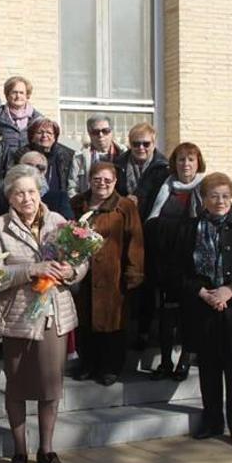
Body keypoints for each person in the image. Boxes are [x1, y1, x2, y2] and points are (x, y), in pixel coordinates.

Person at [0, 164, 88, 463]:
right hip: (16, 317)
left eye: (31, 191)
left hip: (53, 315)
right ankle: (19, 451)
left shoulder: (57, 221)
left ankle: (47, 450)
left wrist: (72, 272)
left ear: (39, 191)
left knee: (50, 388)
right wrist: (31, 270)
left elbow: (81, 259)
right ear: (10, 198)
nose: (26, 198)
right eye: (19, 193)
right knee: (16, 388)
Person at [156, 173, 232, 448]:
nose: (220, 201)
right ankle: (212, 420)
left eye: (225, 196)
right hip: (203, 310)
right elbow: (177, 270)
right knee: (209, 371)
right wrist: (202, 292)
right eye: (214, 196)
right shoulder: (189, 229)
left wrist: (230, 290)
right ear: (203, 199)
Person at [69, 162, 144, 386]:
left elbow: (135, 239)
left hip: (113, 273)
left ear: (115, 182)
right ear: (90, 180)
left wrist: (134, 272)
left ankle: (110, 367)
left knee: (111, 321)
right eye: (97, 179)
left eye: (107, 180)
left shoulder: (125, 206)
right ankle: (87, 364)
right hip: (83, 272)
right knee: (85, 319)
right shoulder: (77, 204)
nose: (102, 184)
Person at [146, 142, 207, 381]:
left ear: (198, 162)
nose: (186, 164)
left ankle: (184, 360)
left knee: (189, 312)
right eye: (181, 159)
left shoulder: (204, 186)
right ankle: (165, 361)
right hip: (167, 260)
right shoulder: (167, 186)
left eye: (190, 159)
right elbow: (153, 220)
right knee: (166, 313)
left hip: (192, 261)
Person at [113, 122, 169, 350]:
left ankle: (144, 332)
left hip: (150, 233)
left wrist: (138, 199)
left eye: (146, 143)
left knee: (147, 285)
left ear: (154, 142)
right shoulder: (119, 165)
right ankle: (123, 330)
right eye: (136, 144)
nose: (141, 148)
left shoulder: (163, 167)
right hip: (123, 232)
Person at [12, 118, 75, 195]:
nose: (44, 135)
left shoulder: (63, 155)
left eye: (49, 133)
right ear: (31, 137)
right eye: (39, 132)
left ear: (54, 138)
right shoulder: (22, 155)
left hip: (58, 201)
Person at [67, 114, 124, 198]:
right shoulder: (80, 157)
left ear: (111, 132)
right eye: (95, 132)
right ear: (89, 134)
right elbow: (72, 187)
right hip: (88, 206)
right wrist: (80, 207)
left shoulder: (123, 154)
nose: (100, 135)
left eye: (105, 131)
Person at [0, 76, 42, 161]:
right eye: (14, 92)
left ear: (27, 95)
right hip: (4, 167)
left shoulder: (38, 120)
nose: (18, 96)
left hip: (29, 167)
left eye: (21, 93)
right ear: (7, 94)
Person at [16, 151, 74, 220]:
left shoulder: (60, 199)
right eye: (29, 166)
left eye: (40, 168)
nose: (34, 171)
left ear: (45, 171)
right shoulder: (9, 195)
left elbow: (69, 226)